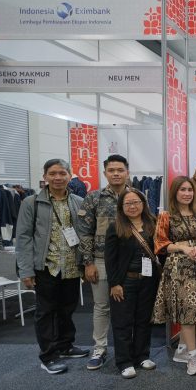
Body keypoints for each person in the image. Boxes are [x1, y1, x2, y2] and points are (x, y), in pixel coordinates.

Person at [17, 159, 89, 374]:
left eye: (62, 173)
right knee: (46, 312)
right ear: (45, 176)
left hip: (71, 266)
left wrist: (85, 263)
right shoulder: (31, 202)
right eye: (53, 173)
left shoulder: (78, 201)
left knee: (67, 309)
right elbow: (23, 238)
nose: (58, 177)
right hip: (46, 266)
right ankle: (48, 356)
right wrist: (26, 270)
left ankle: (65, 346)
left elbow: (84, 234)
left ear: (69, 175)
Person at [152, 176, 196, 376]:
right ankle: (192, 357)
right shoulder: (166, 216)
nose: (187, 193)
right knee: (188, 310)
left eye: (189, 189)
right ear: (175, 192)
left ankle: (182, 349)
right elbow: (160, 244)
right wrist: (183, 248)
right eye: (182, 190)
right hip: (178, 269)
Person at [78, 154, 130, 370]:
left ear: (127, 172)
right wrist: (88, 263)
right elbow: (84, 233)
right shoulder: (94, 198)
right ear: (105, 173)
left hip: (130, 262)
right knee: (101, 306)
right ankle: (99, 348)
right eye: (112, 170)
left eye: (120, 170)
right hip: (100, 261)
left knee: (128, 306)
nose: (116, 174)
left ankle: (129, 349)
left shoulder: (136, 196)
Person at [104, 189, 159, 379]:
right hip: (124, 281)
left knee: (144, 320)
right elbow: (110, 259)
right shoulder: (115, 227)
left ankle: (142, 356)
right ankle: (124, 362)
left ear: (143, 203)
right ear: (121, 207)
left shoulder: (153, 223)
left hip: (148, 280)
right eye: (127, 203)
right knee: (122, 322)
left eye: (136, 202)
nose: (132, 206)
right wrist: (114, 283)